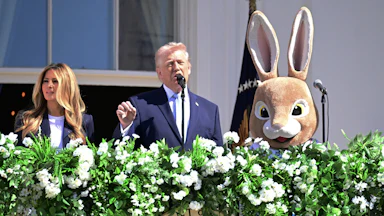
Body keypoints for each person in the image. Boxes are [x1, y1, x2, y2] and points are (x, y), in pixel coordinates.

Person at [113, 42, 223, 150]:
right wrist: (126, 126)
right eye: (170, 64)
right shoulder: (140, 105)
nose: (176, 68)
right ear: (160, 73)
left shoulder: (210, 110)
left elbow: (218, 156)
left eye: (180, 63)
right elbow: (121, 151)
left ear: (189, 68)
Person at [14, 63, 94, 148]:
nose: (49, 85)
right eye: (45, 81)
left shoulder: (83, 121)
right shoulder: (27, 120)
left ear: (67, 86)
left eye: (55, 81)